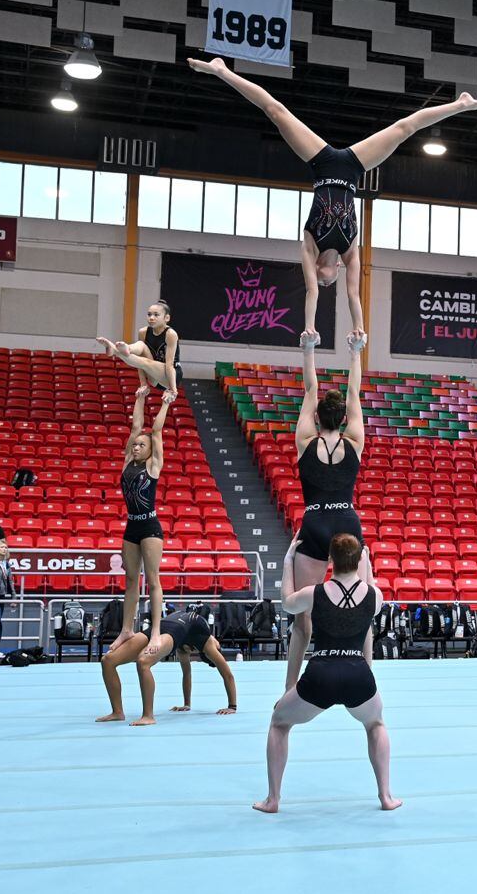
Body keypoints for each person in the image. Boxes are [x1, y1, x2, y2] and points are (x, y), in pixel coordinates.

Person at [188, 55, 477, 338]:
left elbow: (311, 292)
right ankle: (459, 105)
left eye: (323, 280)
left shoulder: (310, 246)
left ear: (320, 268)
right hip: (354, 168)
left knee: (276, 111)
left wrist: (309, 327)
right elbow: (353, 294)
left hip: (321, 164)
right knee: (403, 128)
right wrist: (359, 327)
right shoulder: (350, 251)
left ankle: (221, 70)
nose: (325, 282)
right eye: (328, 281)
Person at [257, 534, 400, 814]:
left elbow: (286, 602)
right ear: (359, 560)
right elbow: (369, 588)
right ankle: (386, 796)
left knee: (279, 723)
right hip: (358, 675)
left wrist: (288, 562)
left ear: (330, 561)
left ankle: (273, 799)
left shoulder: (314, 593)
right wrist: (367, 563)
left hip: (320, 675)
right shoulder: (375, 596)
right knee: (375, 725)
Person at [283, 328, 373, 692]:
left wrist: (308, 350)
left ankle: (291, 688)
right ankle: (367, 678)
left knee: (302, 621)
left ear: (318, 417)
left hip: (316, 521)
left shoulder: (305, 442)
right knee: (364, 613)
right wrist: (355, 352)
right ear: (343, 418)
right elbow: (354, 394)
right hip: (348, 521)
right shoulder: (355, 441)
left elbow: (310, 391)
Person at [111, 386, 173, 654]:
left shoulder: (153, 466)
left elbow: (155, 431)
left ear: (150, 451)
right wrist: (139, 398)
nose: (136, 447)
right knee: (131, 581)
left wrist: (165, 404)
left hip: (150, 527)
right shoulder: (127, 462)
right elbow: (137, 426)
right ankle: (127, 630)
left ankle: (156, 631)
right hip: (131, 526)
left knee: (153, 579)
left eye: (141, 445)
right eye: (134, 444)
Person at [96, 609, 239, 725]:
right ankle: (117, 712)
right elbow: (188, 673)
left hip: (171, 632)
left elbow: (227, 674)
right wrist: (187, 704)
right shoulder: (200, 641)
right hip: (158, 628)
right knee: (108, 661)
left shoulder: (206, 646)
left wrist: (232, 707)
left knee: (143, 662)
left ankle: (148, 716)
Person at [96, 300, 182, 399]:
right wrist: (143, 384)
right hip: (152, 373)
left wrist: (173, 389)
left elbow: (169, 364)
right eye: (149, 314)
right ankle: (127, 348)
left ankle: (115, 350)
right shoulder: (143, 332)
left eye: (156, 315)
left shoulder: (171, 334)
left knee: (146, 362)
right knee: (141, 345)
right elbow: (139, 362)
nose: (151, 318)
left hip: (170, 377)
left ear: (166, 318)